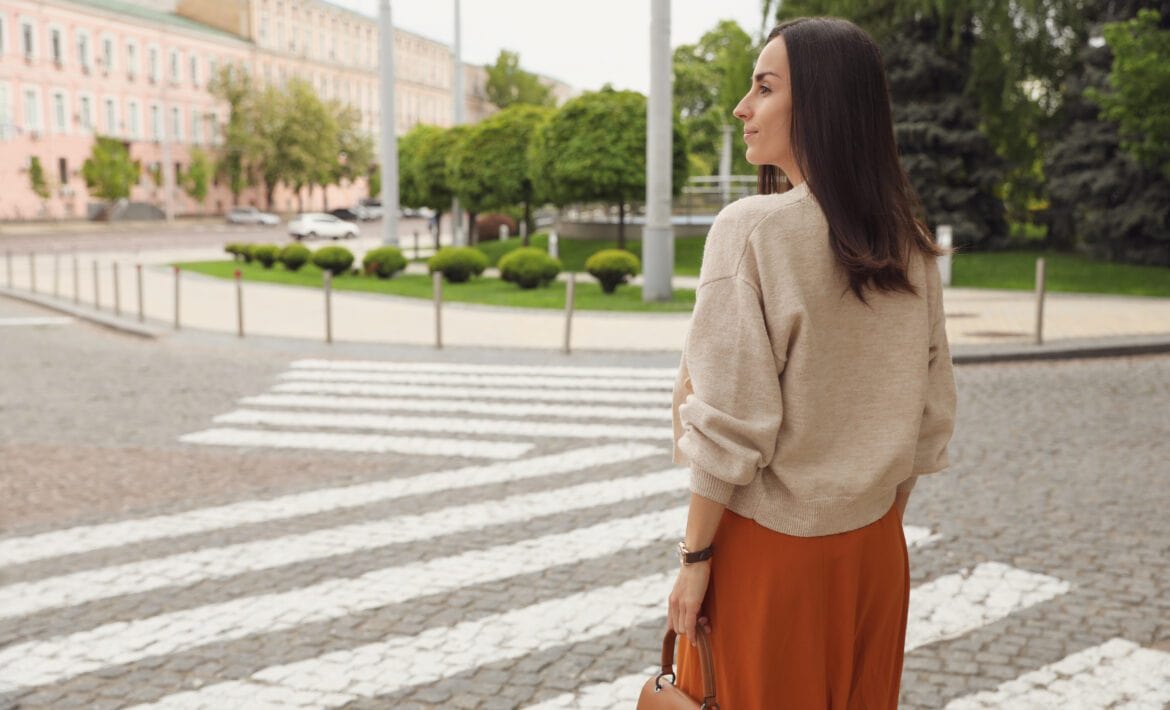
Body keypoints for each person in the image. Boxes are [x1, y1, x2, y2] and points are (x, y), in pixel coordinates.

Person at [667, 16, 958, 709]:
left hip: (771, 555)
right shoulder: (909, 244)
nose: (742, 107)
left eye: (764, 88)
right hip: (876, 551)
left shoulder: (753, 229)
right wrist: (868, 510)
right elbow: (929, 416)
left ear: (821, 104)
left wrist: (695, 559)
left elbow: (731, 419)